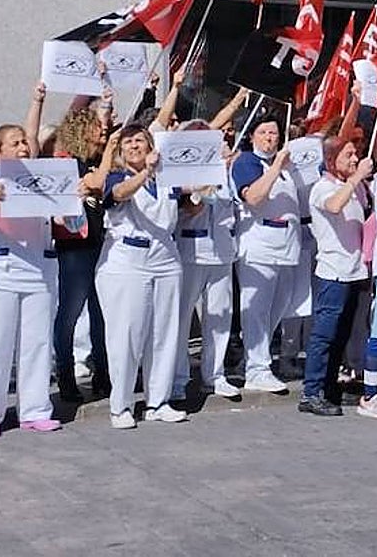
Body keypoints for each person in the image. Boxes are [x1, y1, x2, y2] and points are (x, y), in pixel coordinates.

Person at [0, 124, 61, 437]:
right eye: (15, 143)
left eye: (24, 142)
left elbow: (58, 217)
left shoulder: (41, 180)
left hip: (36, 273)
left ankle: (34, 409)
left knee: (37, 345)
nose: (23, 147)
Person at [96, 125, 187, 426]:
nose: (134, 146)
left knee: (164, 333)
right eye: (128, 142)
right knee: (127, 335)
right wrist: (145, 173)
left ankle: (157, 401)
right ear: (120, 151)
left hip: (166, 257)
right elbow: (119, 194)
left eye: (140, 140)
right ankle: (120, 406)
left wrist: (206, 182)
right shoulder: (116, 177)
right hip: (127, 261)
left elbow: (187, 206)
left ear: (151, 146)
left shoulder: (167, 178)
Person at [298, 137, 373, 416]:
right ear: (332, 160)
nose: (355, 159)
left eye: (356, 154)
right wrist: (355, 180)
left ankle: (330, 388)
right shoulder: (322, 187)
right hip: (333, 272)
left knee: (342, 335)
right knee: (324, 335)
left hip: (355, 271)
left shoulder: (354, 188)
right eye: (349, 154)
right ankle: (311, 391)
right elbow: (333, 206)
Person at [231, 114, 301, 394]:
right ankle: (257, 369)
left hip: (286, 248)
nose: (270, 138)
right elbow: (254, 197)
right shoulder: (248, 162)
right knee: (257, 311)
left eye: (274, 133)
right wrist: (275, 168)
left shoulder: (284, 167)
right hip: (259, 247)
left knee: (278, 310)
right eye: (264, 133)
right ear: (252, 136)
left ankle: (253, 358)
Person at [172, 119, 239, 401]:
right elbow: (184, 207)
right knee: (181, 317)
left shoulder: (225, 167)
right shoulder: (178, 168)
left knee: (220, 316)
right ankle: (177, 377)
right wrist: (200, 188)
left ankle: (215, 374)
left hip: (222, 250)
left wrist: (225, 169)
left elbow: (236, 203)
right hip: (191, 249)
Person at [49, 102, 111, 402]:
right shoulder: (65, 162)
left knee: (102, 315)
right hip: (74, 246)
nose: (103, 132)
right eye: (97, 127)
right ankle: (66, 375)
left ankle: (104, 373)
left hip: (101, 243)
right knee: (70, 312)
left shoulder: (96, 161)